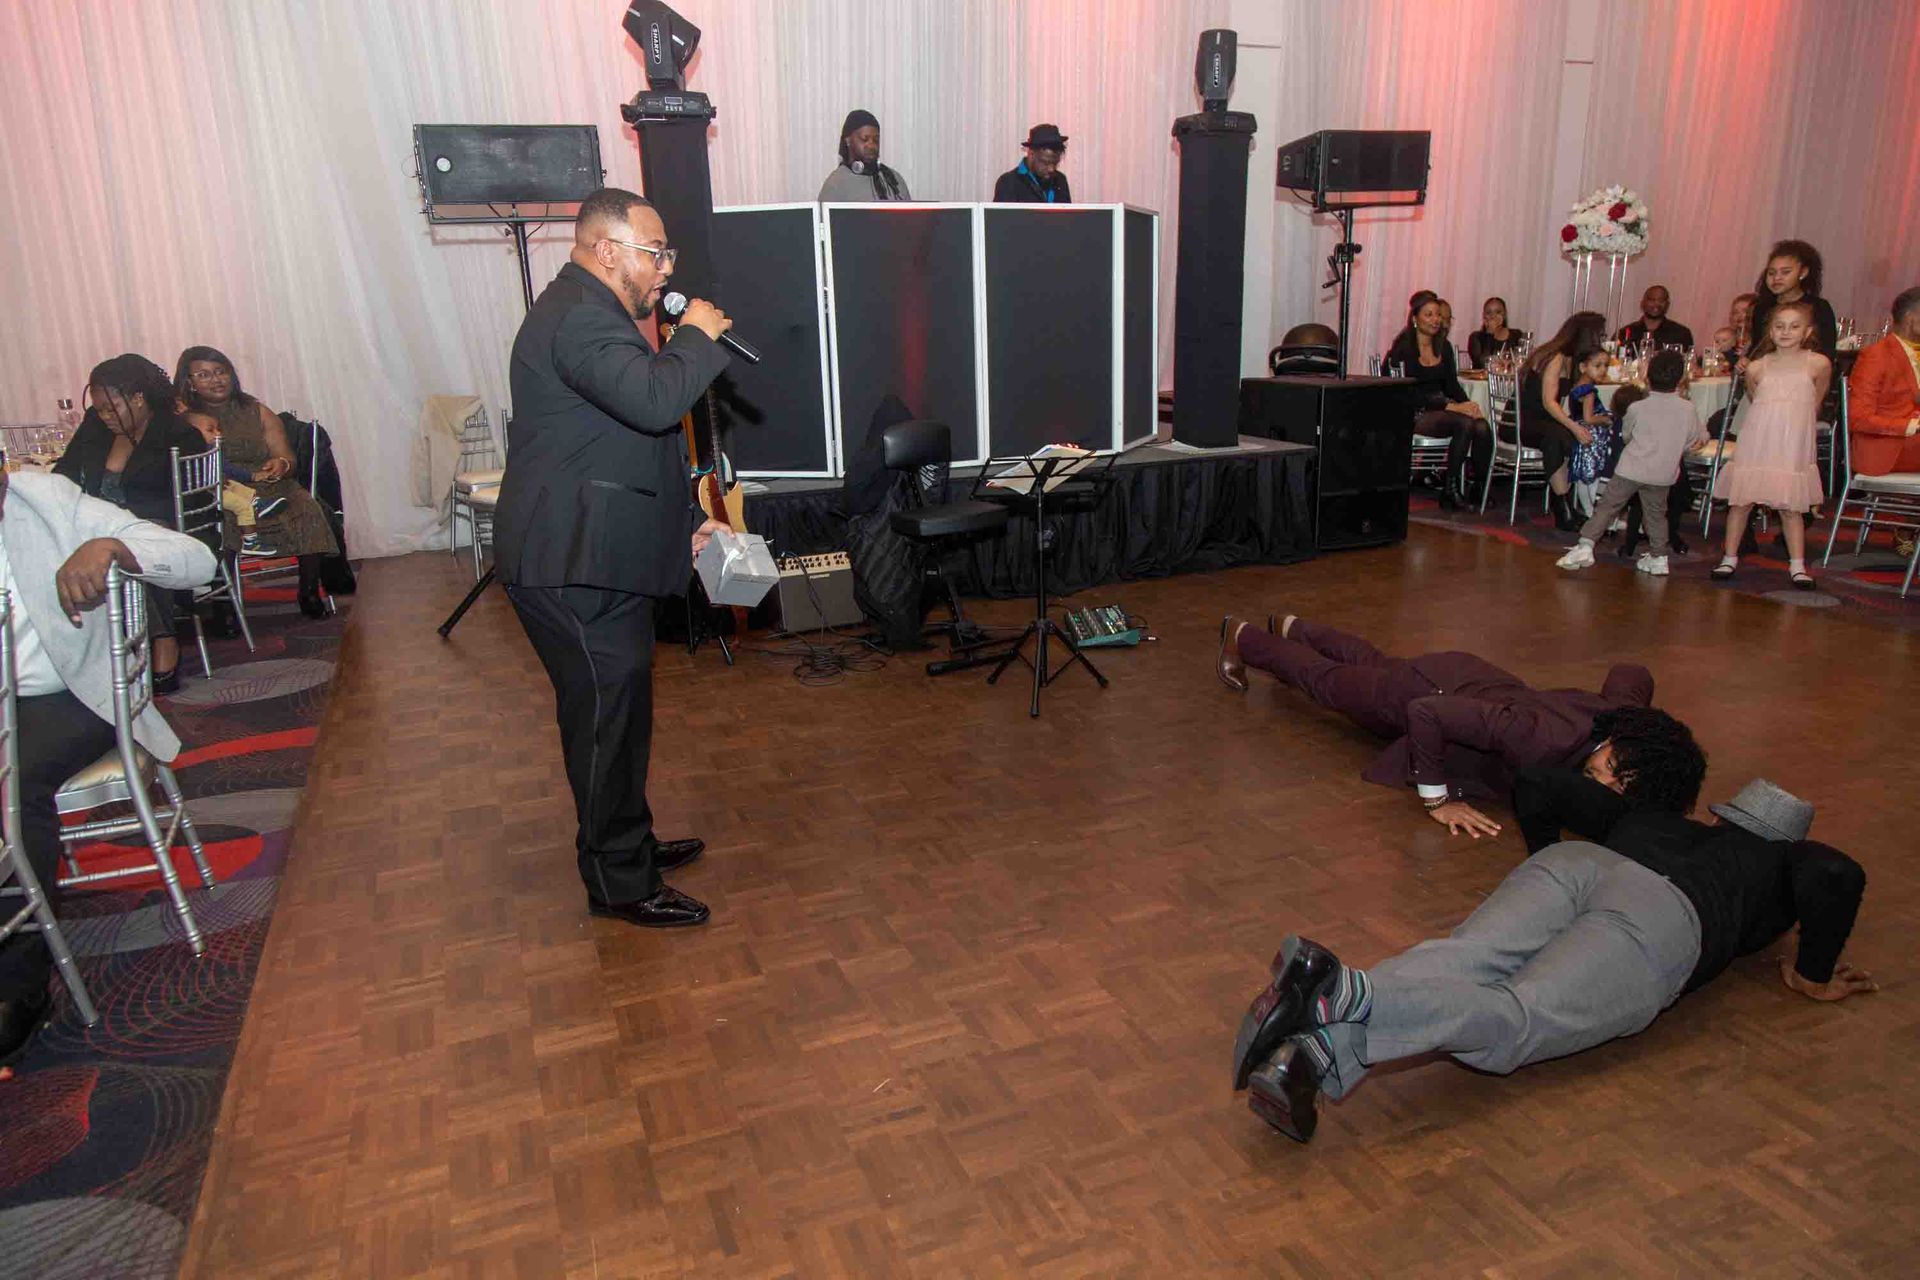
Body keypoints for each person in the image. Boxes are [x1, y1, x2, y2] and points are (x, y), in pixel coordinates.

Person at [1232, 776, 1872, 1143]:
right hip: (1666, 920)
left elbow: (1541, 779)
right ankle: (1345, 995)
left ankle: (1308, 1057)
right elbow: (1838, 874)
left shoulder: (1660, 818)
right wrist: (1812, 976)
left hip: (1576, 865)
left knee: (1465, 958)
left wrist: (1539, 855)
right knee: (1517, 1018)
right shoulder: (1783, 862)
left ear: (1725, 816)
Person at [493, 187, 733, 930]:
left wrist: (684, 519)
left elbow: (625, 439)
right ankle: (619, 882)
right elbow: (659, 404)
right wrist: (696, 335)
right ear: (606, 251)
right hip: (569, 560)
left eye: (667, 255)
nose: (666, 269)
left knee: (621, 715)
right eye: (654, 253)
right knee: (604, 719)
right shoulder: (576, 319)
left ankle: (629, 842)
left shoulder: (594, 315)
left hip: (596, 548)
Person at [0, 467, 218, 1072]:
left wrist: (113, 547)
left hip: (66, 695)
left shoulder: (46, 501)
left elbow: (196, 558)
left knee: (12, 783)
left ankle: (16, 981)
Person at [1214, 611, 1684, 838]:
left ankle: (1296, 627)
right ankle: (1244, 636)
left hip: (1468, 679)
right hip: (1429, 697)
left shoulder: (1622, 726)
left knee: (1373, 664)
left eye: (1623, 784)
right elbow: (1426, 714)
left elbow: (1631, 673)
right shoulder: (1542, 737)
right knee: (1327, 682)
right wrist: (1436, 801)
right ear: (1620, 741)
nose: (1608, 779)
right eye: (1614, 767)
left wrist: (1639, 723)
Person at [53, 355, 212, 691]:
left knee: (137, 546)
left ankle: (164, 641)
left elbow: (191, 503)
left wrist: (128, 522)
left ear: (138, 399)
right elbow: (62, 475)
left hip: (167, 528)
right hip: (98, 526)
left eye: (111, 408)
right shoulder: (96, 427)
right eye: (99, 409)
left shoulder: (178, 434)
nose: (104, 416)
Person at [172, 347, 337, 617]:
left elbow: (286, 457)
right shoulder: (185, 419)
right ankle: (225, 605)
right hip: (220, 489)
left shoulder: (256, 410)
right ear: (189, 382)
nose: (216, 380)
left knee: (308, 507)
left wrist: (281, 464)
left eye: (220, 372)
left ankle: (308, 590)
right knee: (221, 518)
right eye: (204, 375)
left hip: (271, 484)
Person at [1558, 350, 1708, 577]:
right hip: (1663, 473)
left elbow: (1627, 435)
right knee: (1656, 514)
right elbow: (1693, 438)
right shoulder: (1687, 409)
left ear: (1648, 377)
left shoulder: (1638, 407)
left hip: (1631, 468)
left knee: (1608, 507)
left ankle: (1586, 545)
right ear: (1680, 379)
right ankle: (1659, 557)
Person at [1714, 301, 1830, 589]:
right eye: (1779, 326)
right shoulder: (1756, 367)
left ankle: (1797, 565)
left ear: (1807, 331)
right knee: (1741, 502)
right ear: (1770, 330)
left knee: (1791, 507)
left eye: (1794, 326)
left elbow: (1815, 402)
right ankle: (1729, 557)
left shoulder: (1817, 363)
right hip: (1758, 441)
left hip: (1791, 444)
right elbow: (1756, 401)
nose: (1786, 332)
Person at [1385, 291, 1490, 508]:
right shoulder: (1404, 348)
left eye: (1438, 315)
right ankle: (1450, 489)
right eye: (1429, 315)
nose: (1436, 320)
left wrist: (1468, 404)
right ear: (1415, 319)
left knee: (1481, 425)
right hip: (1416, 411)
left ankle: (1479, 487)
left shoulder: (1444, 346)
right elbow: (1408, 392)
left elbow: (1452, 385)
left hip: (1442, 409)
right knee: (1463, 422)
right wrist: (1452, 406)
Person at [1520, 311, 1610, 531]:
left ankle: (1566, 503)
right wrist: (1575, 427)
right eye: (1600, 336)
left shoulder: (1573, 361)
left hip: (1547, 420)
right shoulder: (1556, 357)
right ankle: (1564, 506)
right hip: (1527, 422)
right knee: (1560, 436)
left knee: (1567, 435)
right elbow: (1549, 402)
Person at [1846, 285, 1920, 477]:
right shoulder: (1877, 356)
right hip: (1888, 449)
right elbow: (1858, 418)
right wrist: (1911, 426)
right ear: (1912, 319)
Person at [1746, 240, 1838, 361]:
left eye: (1785, 272)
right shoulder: (1762, 308)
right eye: (1771, 273)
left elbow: (1827, 352)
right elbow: (1757, 347)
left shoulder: (1819, 307)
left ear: (1803, 273)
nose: (1777, 278)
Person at [1561, 346, 1616, 509]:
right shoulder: (1589, 391)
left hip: (1582, 435)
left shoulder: (1576, 387)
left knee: (1584, 475)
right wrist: (1606, 419)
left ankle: (1589, 510)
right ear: (1583, 367)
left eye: (1606, 366)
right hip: (1591, 438)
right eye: (1597, 366)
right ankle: (1590, 511)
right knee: (1591, 476)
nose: (1603, 370)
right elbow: (1589, 418)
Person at [818, 109, 912, 202]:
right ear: (848, 141)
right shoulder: (836, 184)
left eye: (876, 140)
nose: (871, 146)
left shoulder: (894, 179)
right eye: (864, 139)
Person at [993, 123, 1071, 204]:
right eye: (1045, 163)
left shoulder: (1061, 180)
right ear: (1031, 154)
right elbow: (1002, 216)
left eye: (1055, 163)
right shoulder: (1008, 182)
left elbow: (1067, 216)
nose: (1051, 169)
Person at [1615, 285, 1695, 350]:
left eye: (1661, 300)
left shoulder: (1681, 334)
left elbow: (1689, 364)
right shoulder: (1625, 333)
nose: (1656, 304)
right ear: (1642, 303)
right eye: (1651, 300)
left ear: (1667, 304)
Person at [1467, 296, 1527, 370]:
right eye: (1489, 312)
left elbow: (1521, 363)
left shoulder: (1516, 334)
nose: (1493, 316)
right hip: (1482, 380)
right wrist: (1490, 333)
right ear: (1484, 316)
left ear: (1504, 315)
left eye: (1498, 312)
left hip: (1508, 379)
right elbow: (1483, 364)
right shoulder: (1475, 337)